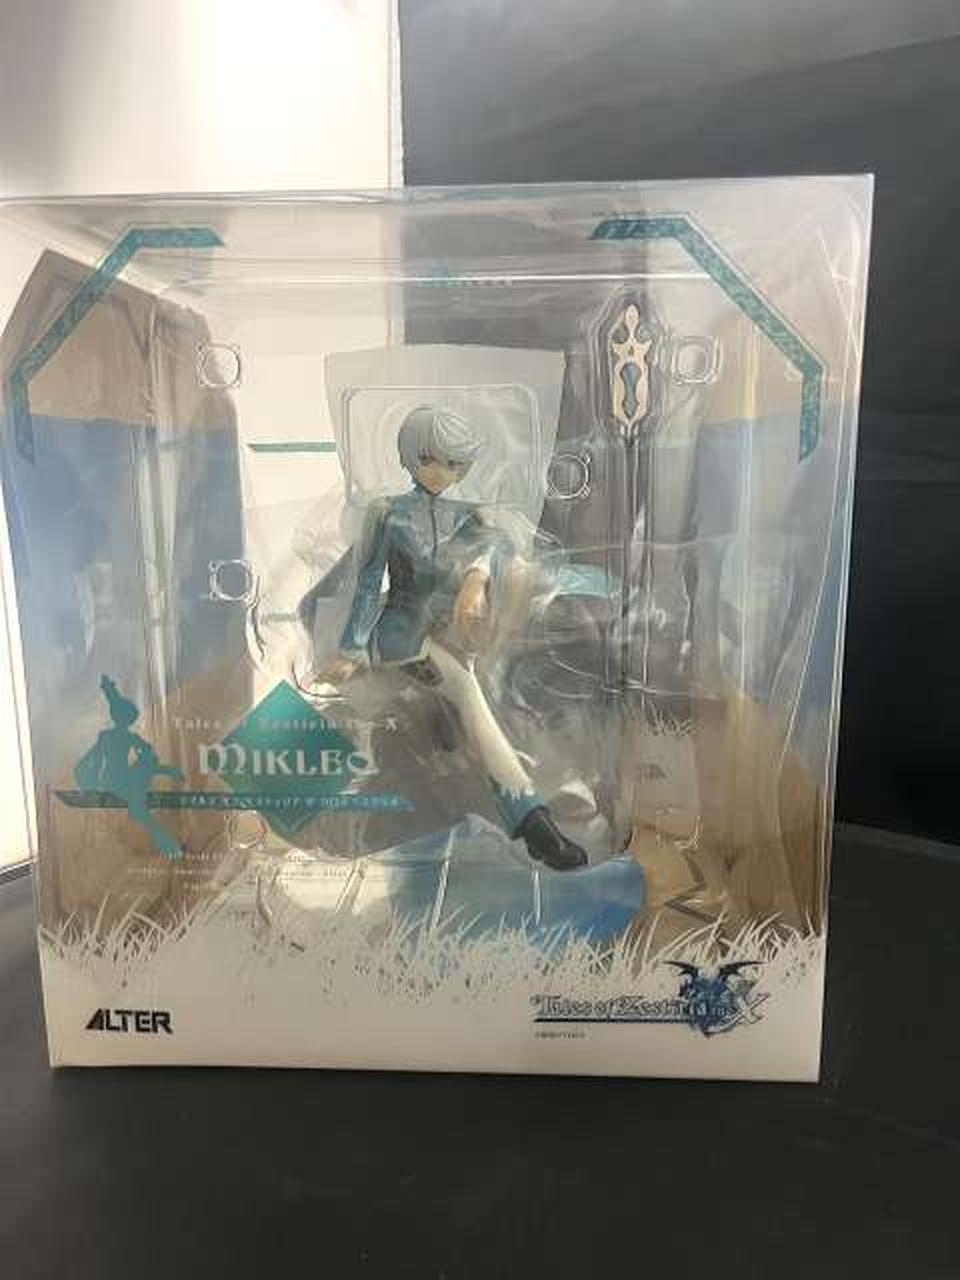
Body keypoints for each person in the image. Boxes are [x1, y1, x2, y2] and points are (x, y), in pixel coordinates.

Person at [314, 405, 587, 872]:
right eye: (428, 459)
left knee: (479, 702)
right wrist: (351, 649)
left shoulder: (468, 516)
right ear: (409, 456)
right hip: (401, 637)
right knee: (467, 695)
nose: (439, 473)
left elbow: (499, 546)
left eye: (453, 463)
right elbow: (368, 582)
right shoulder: (388, 513)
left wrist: (477, 578)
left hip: (452, 637)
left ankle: (509, 796)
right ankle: (533, 823)